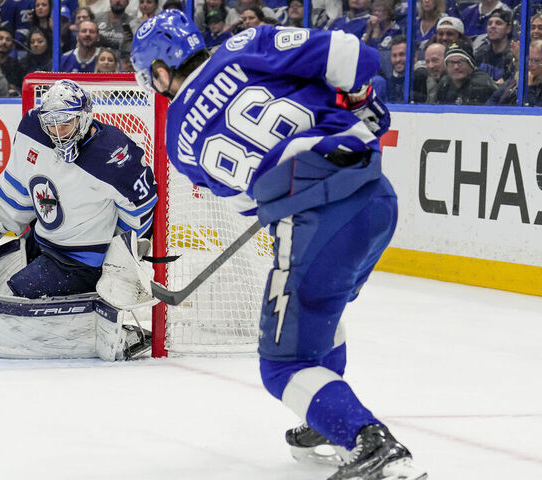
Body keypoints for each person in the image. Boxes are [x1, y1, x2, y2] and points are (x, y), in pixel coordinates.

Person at [130, 9, 427, 480]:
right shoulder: (245, 44)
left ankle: (370, 443)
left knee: (282, 366)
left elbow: (249, 208)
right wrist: (358, 97)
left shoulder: (176, 144)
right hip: (375, 199)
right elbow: (355, 56)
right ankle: (328, 416)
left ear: (162, 72)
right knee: (321, 312)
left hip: (313, 219)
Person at [0, 79, 157, 360]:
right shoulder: (33, 129)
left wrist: (122, 260)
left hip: (80, 263)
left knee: (13, 299)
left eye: (65, 123)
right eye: (50, 124)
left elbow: (141, 211)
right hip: (40, 242)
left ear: (84, 117)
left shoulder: (113, 155)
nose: (57, 133)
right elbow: (19, 188)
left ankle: (93, 323)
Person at [473, 9, 514, 84]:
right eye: (489, 23)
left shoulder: (513, 56)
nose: (493, 26)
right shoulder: (480, 53)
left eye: (498, 23)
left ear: (508, 29)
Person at [0, 26, 24, 96]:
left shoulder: (17, 66)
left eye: (8, 39)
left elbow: (17, 89)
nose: (4, 42)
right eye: (0, 38)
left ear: (13, 45)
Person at [386, 34, 406, 103]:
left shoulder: (419, 79)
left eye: (402, 54)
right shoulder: (388, 83)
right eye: (394, 55)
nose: (397, 60)